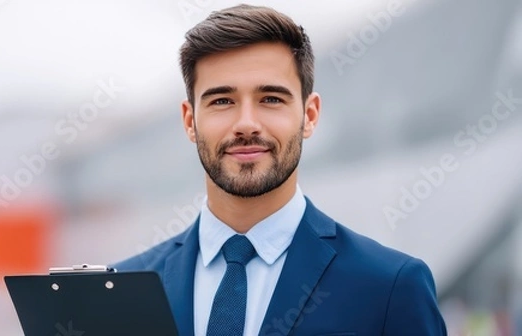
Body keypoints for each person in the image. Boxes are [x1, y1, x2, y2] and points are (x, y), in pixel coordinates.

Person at [111, 4, 447, 336]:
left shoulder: (390, 287)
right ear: (190, 121)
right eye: (222, 101)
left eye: (271, 98)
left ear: (309, 115)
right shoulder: (121, 292)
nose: (246, 124)